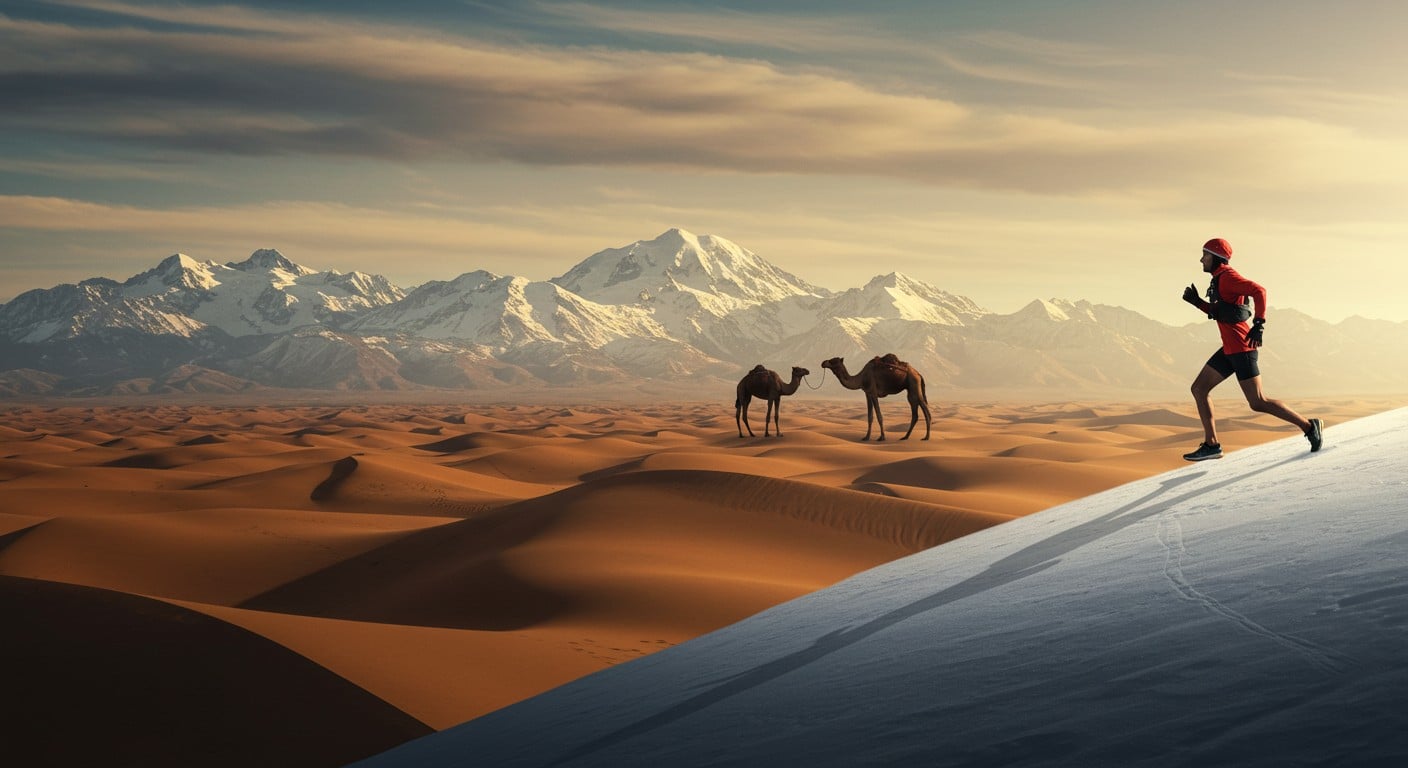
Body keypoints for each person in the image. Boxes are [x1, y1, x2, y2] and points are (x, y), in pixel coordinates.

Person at [1179, 237, 1322, 461]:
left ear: (1216, 258)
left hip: (1242, 349)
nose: (1201, 260)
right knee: (1199, 389)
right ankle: (1212, 444)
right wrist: (1198, 302)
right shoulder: (1219, 280)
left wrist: (1259, 324)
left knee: (1257, 402)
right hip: (1229, 349)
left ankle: (1309, 426)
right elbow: (1224, 312)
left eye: (1205, 255)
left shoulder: (1228, 278)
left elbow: (1259, 291)